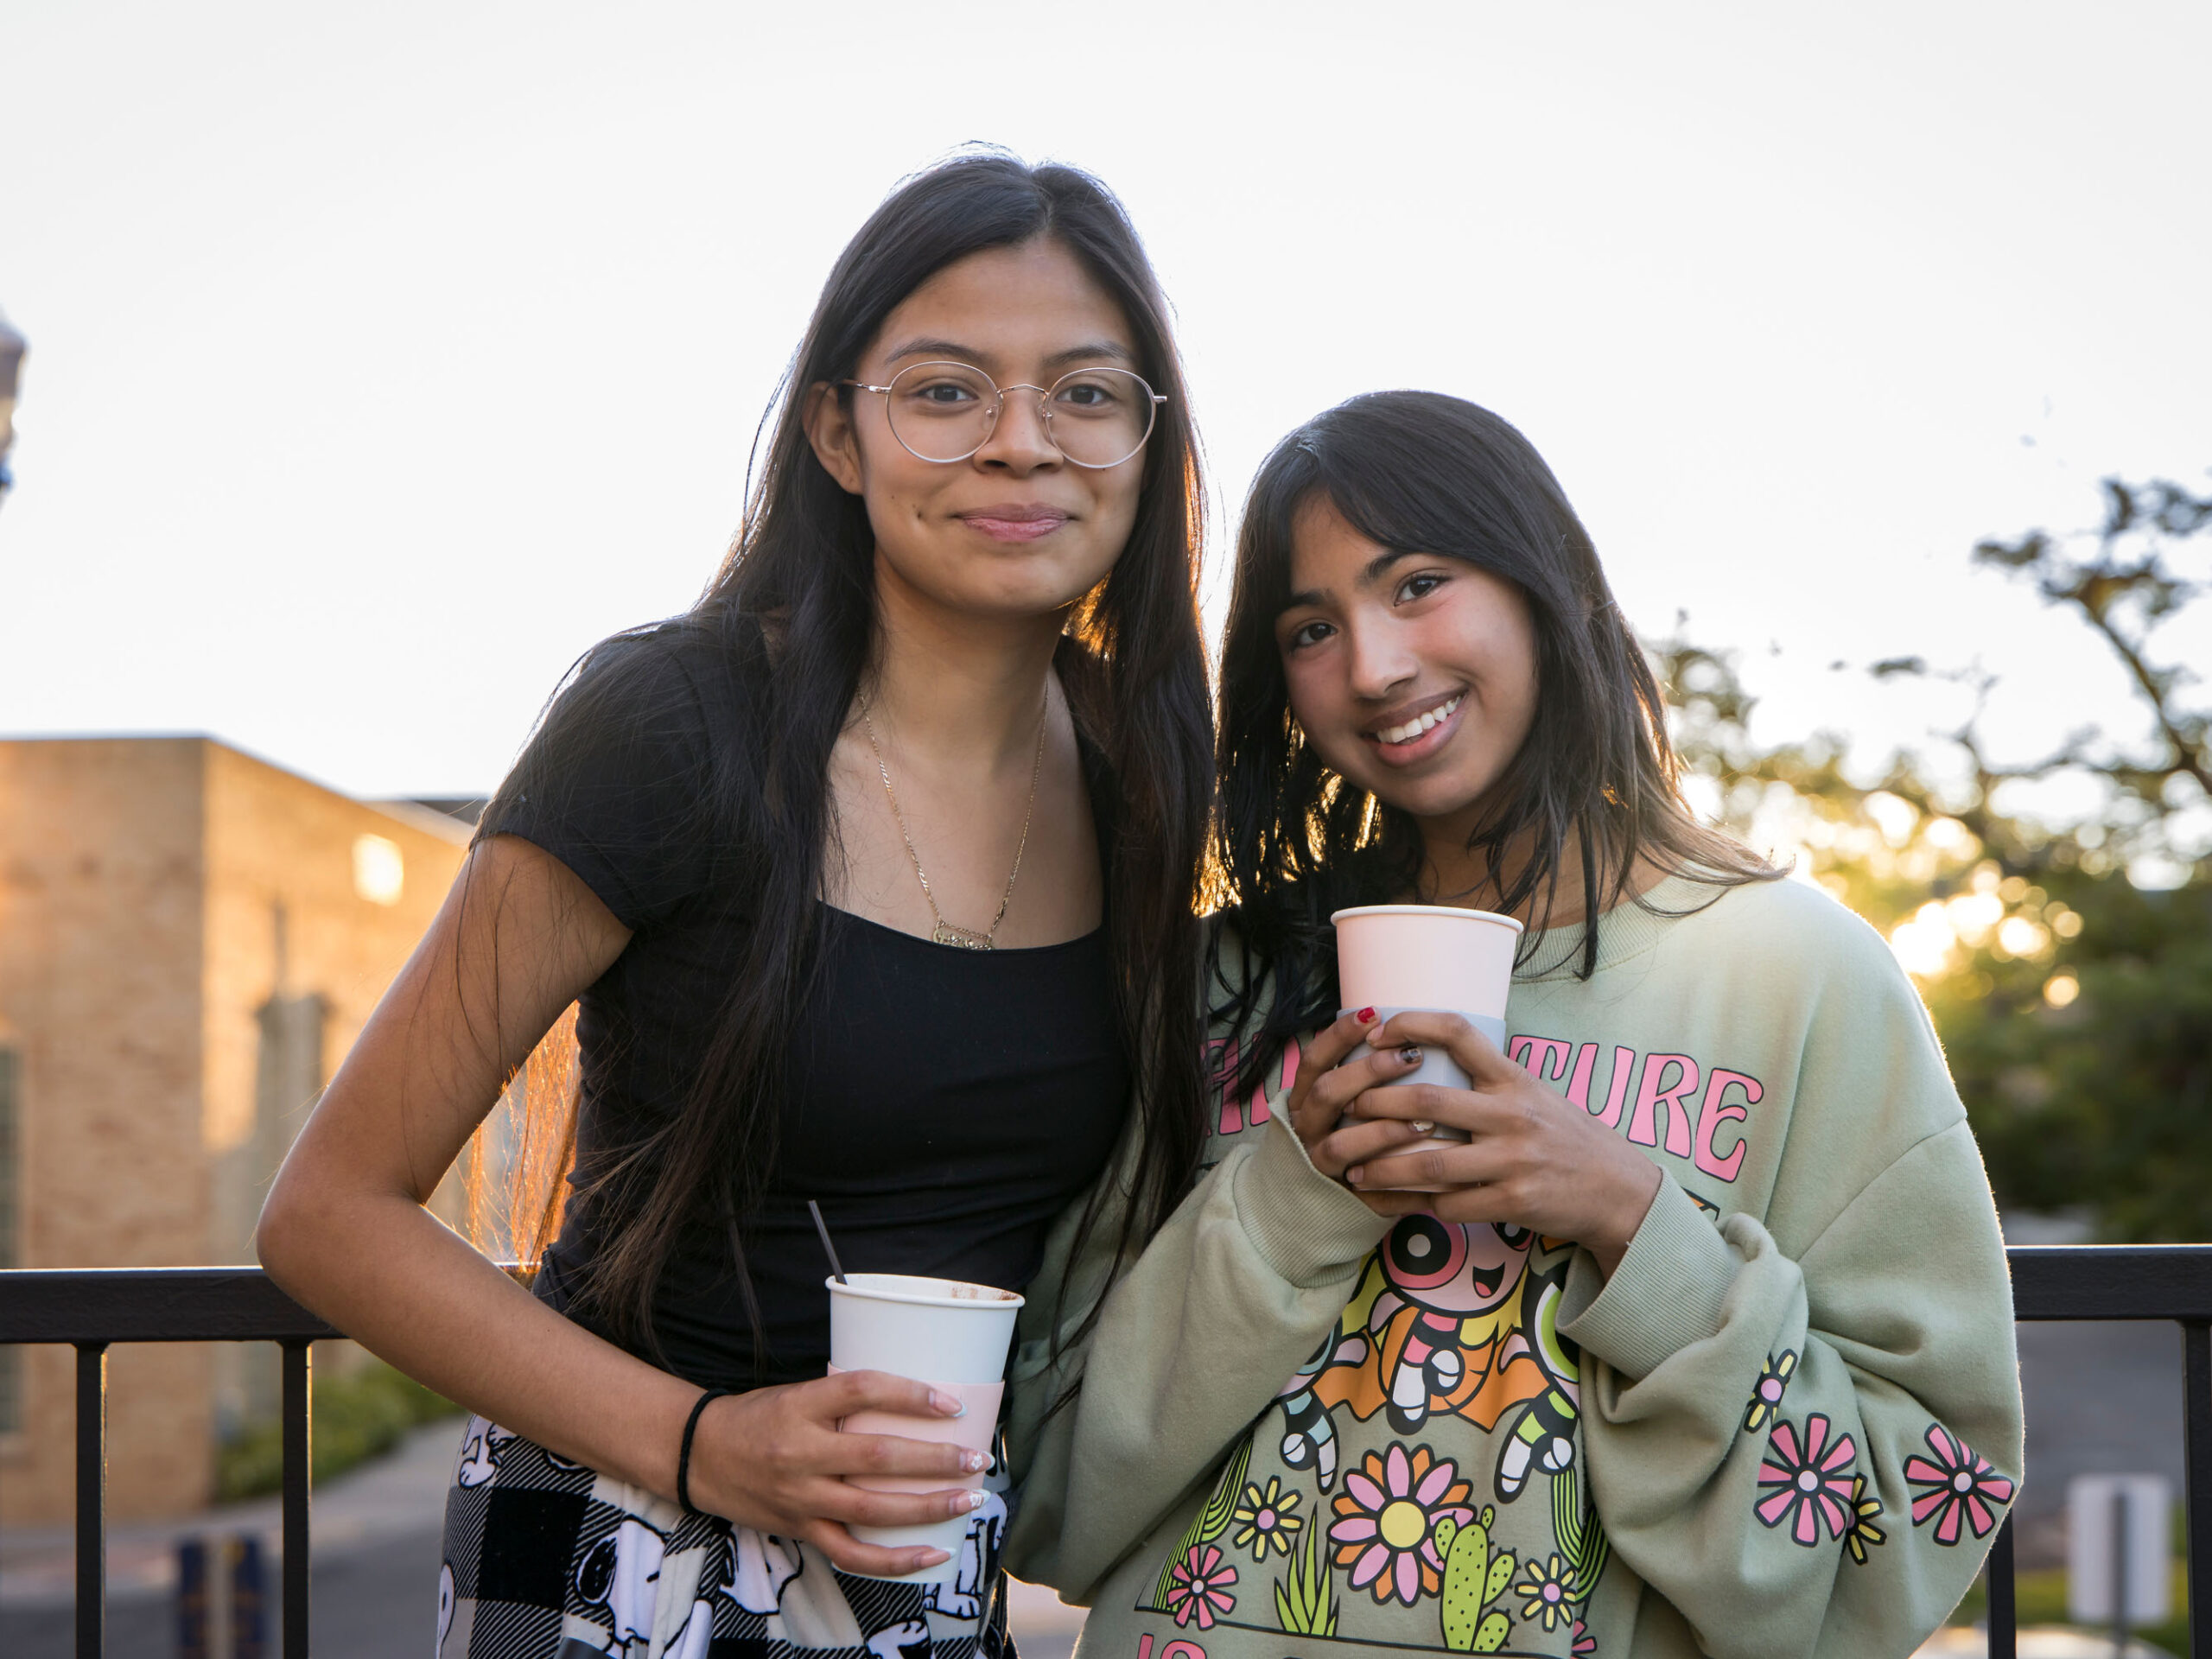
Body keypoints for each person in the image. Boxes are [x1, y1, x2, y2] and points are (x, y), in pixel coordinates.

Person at [256, 154, 1217, 1659]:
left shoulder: (1147, 778)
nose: (1023, 445)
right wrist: (705, 1442)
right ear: (839, 431)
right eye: (948, 390)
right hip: (614, 1537)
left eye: (1087, 394)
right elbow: (327, 1215)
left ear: (1148, 443)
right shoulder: (672, 724)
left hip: (923, 1565)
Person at [1004, 391, 2024, 1658]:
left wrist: (1630, 1221)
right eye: (1312, 628)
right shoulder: (1227, 982)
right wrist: (1293, 1190)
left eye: (1420, 582)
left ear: (1545, 587)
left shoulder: (1800, 976)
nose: (1374, 667)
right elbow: (1043, 1471)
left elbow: (1909, 1526)